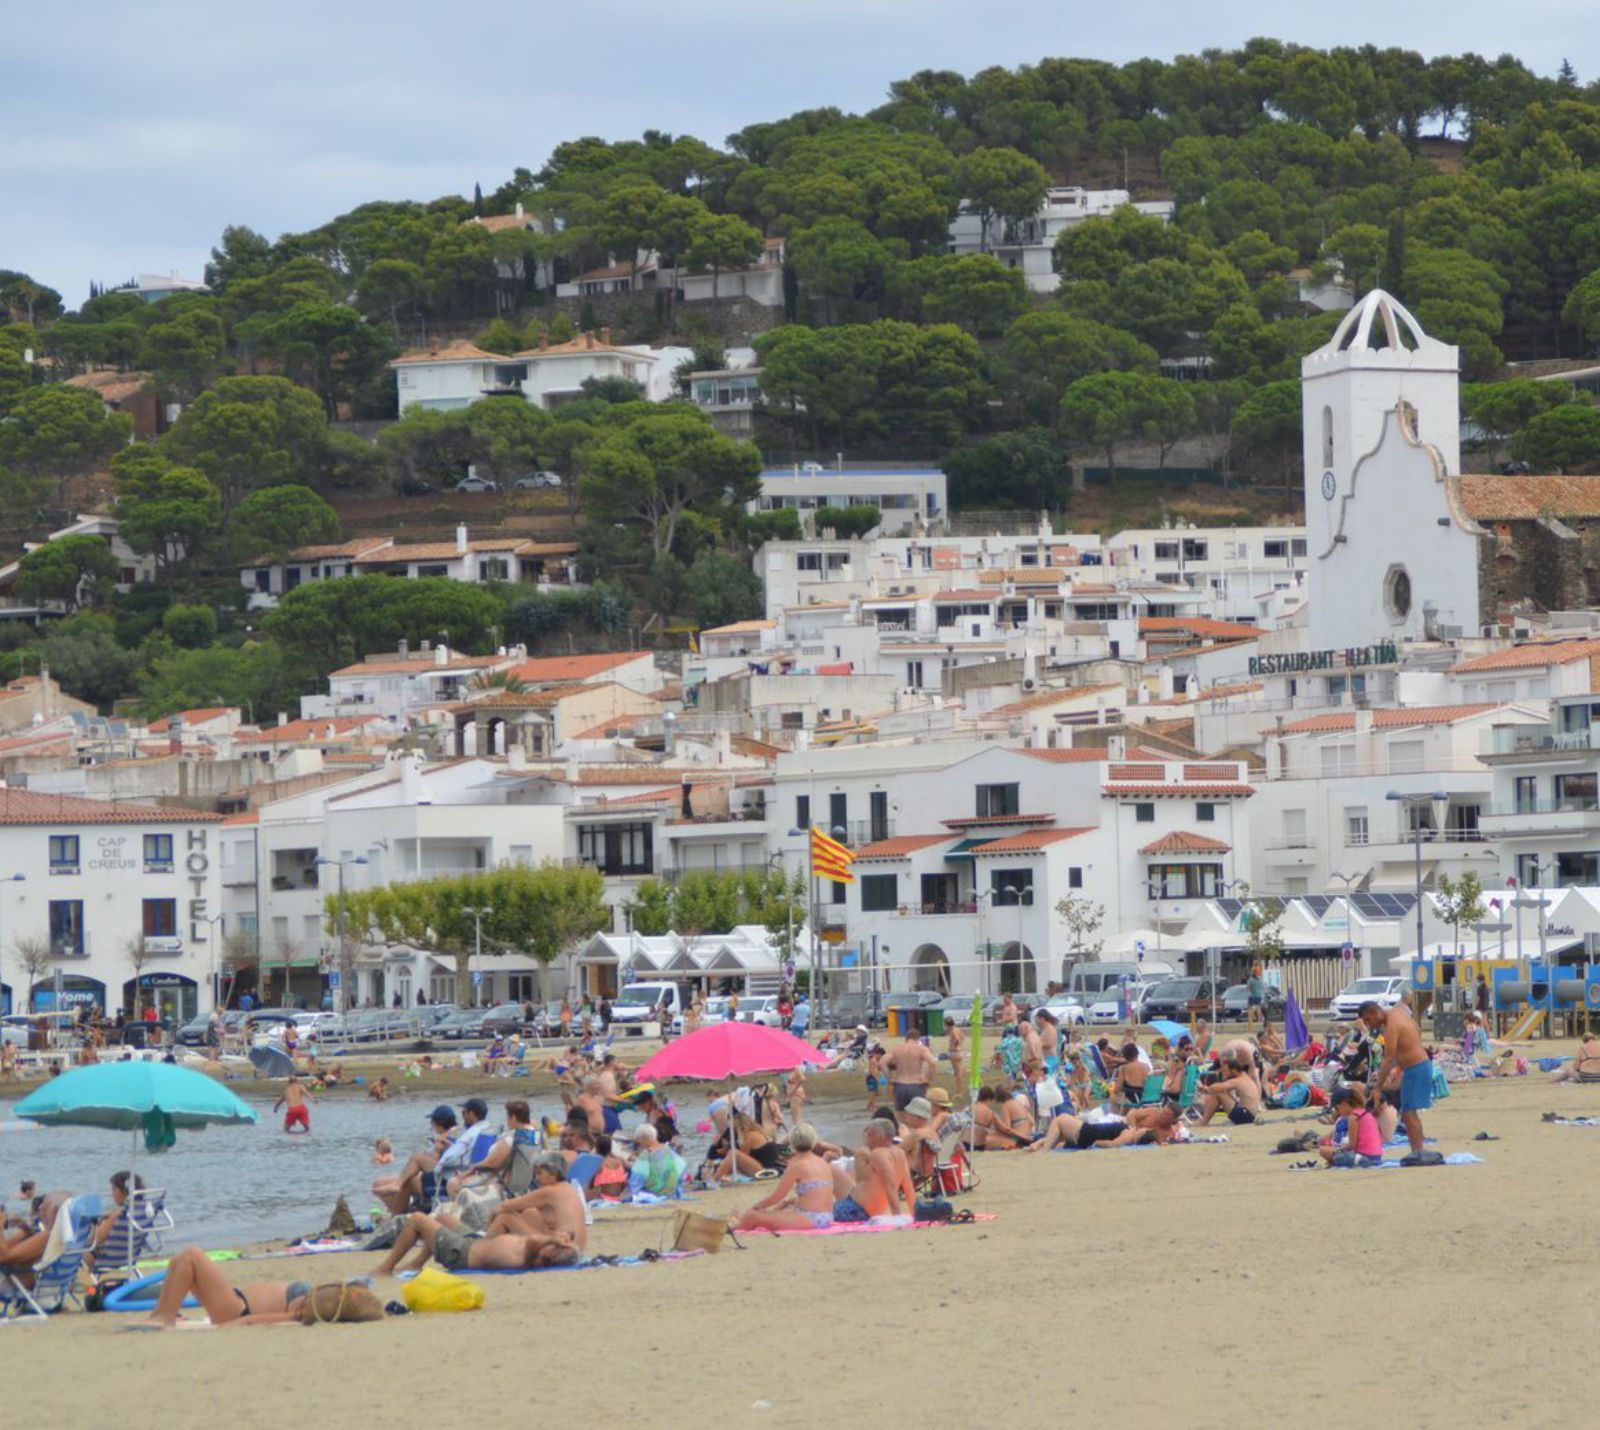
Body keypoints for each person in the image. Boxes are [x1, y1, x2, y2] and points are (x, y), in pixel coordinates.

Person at [145, 1246, 333, 1327]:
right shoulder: (314, 1296)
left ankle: (166, 1316)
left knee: (191, 1256)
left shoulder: (310, 1305)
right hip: (236, 1304)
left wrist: (243, 1322)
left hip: (238, 1311)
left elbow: (292, 1317)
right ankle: (161, 1313)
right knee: (179, 1260)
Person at [376, 1211, 576, 1275]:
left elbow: (534, 1241)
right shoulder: (536, 1252)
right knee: (444, 1217)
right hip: (475, 1243)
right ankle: (416, 1263)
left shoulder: (529, 1255)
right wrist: (564, 1237)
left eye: (554, 1246)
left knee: (417, 1219)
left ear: (551, 1254)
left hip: (462, 1253)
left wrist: (552, 1238)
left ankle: (386, 1268)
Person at [1361, 998, 1433, 1160]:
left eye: (1368, 1020)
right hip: (1416, 1066)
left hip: (1416, 1068)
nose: (1368, 1025)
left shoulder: (1392, 1025)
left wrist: (1378, 1087)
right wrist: (1402, 1064)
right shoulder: (1399, 1013)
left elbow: (1388, 1058)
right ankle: (1418, 1150)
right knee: (1410, 1112)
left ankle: (1418, 1151)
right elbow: (1416, 1030)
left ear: (1375, 1012)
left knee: (1408, 1113)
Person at [734, 1124, 836, 1231]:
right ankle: (742, 1220)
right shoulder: (822, 1162)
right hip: (827, 1216)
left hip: (810, 1218)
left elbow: (777, 1196)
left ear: (792, 1142)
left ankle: (732, 1228)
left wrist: (757, 1206)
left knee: (753, 1216)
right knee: (780, 1209)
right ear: (813, 1141)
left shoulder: (796, 1164)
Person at [486, 1154, 587, 1252]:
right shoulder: (569, 1188)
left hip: (561, 1250)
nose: (536, 1178)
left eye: (539, 1173)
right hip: (577, 1249)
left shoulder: (548, 1191)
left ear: (554, 1173)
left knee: (505, 1217)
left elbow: (504, 1206)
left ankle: (483, 1248)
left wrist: (490, 1222)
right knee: (530, 1212)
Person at [372, 1106, 459, 1214]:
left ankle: (397, 1214)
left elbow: (434, 1165)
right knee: (379, 1183)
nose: (431, 1125)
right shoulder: (457, 1135)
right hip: (438, 1176)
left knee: (410, 1174)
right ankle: (398, 1209)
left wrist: (429, 1154)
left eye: (432, 1122)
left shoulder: (442, 1141)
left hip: (438, 1180)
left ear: (438, 1124)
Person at [830, 1120, 915, 1224]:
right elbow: (908, 1186)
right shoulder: (900, 1153)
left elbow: (890, 1185)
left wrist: (897, 1216)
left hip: (855, 1209)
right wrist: (914, 1212)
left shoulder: (878, 1154)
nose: (866, 1139)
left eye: (869, 1134)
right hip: (862, 1208)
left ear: (878, 1136)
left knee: (819, 1212)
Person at [1027, 1105, 1179, 1152]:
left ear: (1172, 1119)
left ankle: (1043, 1149)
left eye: (1167, 1114)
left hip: (1093, 1133)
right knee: (1064, 1124)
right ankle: (1041, 1141)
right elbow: (1132, 1113)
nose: (1162, 1114)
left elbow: (1112, 1144)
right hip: (1109, 1128)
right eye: (1164, 1110)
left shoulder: (1131, 1134)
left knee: (1059, 1120)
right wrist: (1132, 1125)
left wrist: (1095, 1144)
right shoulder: (1152, 1112)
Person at [1319, 1085, 1384, 1168]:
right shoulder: (1365, 1113)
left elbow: (1351, 1145)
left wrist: (1339, 1149)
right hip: (1377, 1156)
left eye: (1337, 1108)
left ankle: (1338, 1161)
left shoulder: (1353, 1117)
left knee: (1323, 1151)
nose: (1338, 1112)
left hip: (1364, 1157)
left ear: (1343, 1103)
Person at [1196, 1058, 1264, 1126]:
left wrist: (1203, 1087)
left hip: (1245, 1116)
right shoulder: (1246, 1077)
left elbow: (1214, 1088)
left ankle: (1204, 1121)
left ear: (1233, 1070)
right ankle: (1204, 1120)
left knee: (1218, 1092)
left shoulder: (1238, 1080)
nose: (1224, 1073)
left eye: (1225, 1071)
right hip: (1250, 1115)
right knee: (1222, 1092)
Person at [947, 1019, 967, 1097]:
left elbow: (957, 1039)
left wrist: (955, 1046)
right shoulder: (957, 1029)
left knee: (958, 1073)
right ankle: (960, 1090)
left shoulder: (952, 1030)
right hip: (959, 1052)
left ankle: (959, 1092)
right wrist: (959, 1045)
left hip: (954, 1052)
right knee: (959, 1072)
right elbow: (962, 1037)